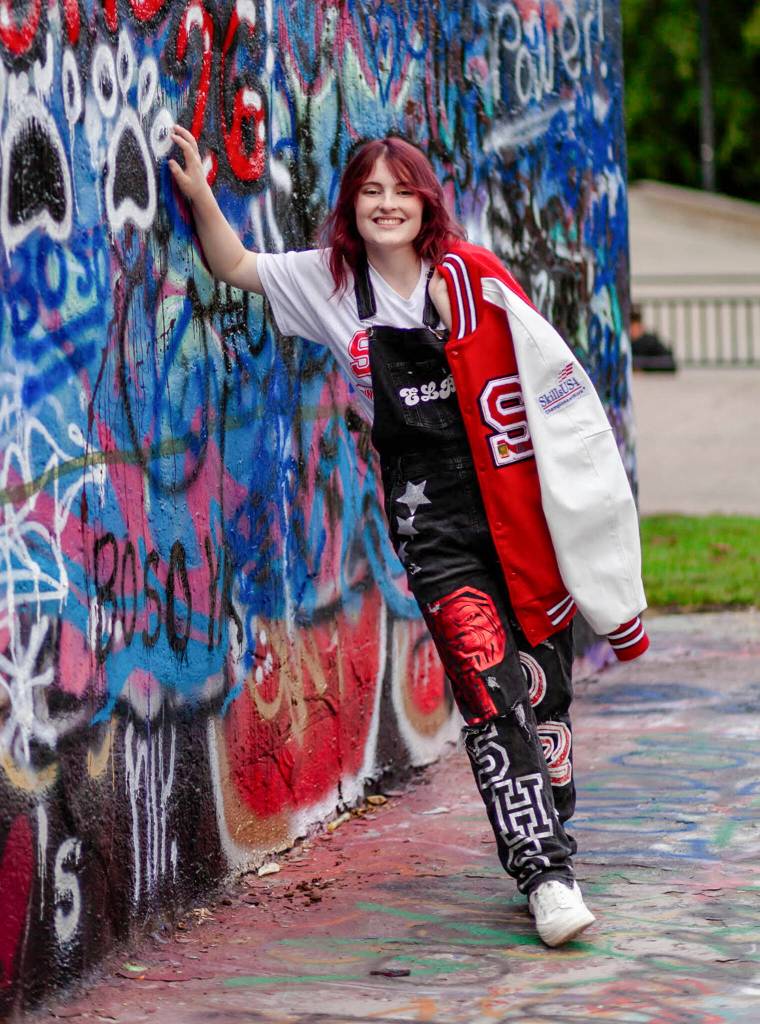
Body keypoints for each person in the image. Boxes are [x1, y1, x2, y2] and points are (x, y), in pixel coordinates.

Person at [169, 128, 649, 947]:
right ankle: (545, 874)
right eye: (370, 191)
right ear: (351, 206)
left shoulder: (471, 278)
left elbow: (554, 395)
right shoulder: (328, 283)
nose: (386, 204)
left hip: (521, 516)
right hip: (432, 526)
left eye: (401, 189)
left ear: (426, 202)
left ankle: (550, 812)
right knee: (487, 691)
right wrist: (201, 195)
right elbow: (235, 265)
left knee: (542, 693)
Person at [630, 304, 677, 372]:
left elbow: (669, 363)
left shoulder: (650, 342)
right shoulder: (624, 344)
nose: (632, 328)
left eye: (634, 324)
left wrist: (643, 369)